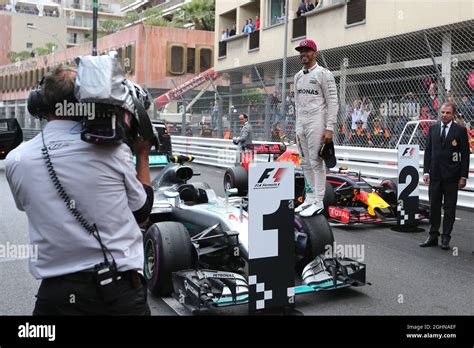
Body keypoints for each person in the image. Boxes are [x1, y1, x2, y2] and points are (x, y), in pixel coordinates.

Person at [4, 66, 153, 315]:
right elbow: (142, 213)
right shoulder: (114, 152)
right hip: (119, 294)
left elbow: (25, 204)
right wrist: (143, 156)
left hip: (57, 297)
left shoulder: (16, 160)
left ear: (39, 104)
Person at [294, 39, 338, 217]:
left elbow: (333, 102)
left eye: (307, 50)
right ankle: (309, 199)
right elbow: (297, 104)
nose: (304, 53)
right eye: (301, 51)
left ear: (315, 53)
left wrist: (329, 129)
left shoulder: (324, 74)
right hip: (301, 122)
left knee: (315, 161)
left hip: (317, 120)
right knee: (304, 163)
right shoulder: (297, 76)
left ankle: (319, 201)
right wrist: (297, 124)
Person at [421, 102, 470, 250]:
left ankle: (446, 237)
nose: (444, 115)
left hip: (452, 177)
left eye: (448, 113)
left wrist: (463, 176)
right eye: (442, 112)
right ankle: (433, 235)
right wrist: (426, 171)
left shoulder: (460, 131)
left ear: (453, 114)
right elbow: (428, 152)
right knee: (434, 206)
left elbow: (465, 155)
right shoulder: (433, 129)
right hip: (435, 175)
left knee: (449, 209)